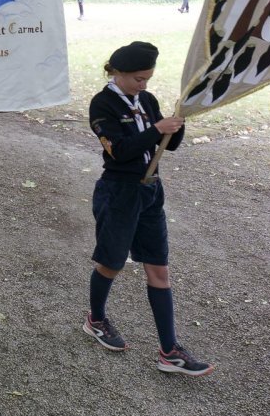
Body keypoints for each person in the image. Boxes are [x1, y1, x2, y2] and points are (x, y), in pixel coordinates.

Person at [83, 41, 214, 376]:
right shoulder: (103, 104)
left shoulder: (148, 100)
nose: (144, 85)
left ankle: (169, 351)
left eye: (148, 79)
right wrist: (156, 129)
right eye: (139, 79)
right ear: (118, 73)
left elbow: (169, 146)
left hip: (151, 190)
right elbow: (120, 151)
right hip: (119, 192)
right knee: (111, 265)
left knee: (159, 269)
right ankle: (95, 320)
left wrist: (178, 123)